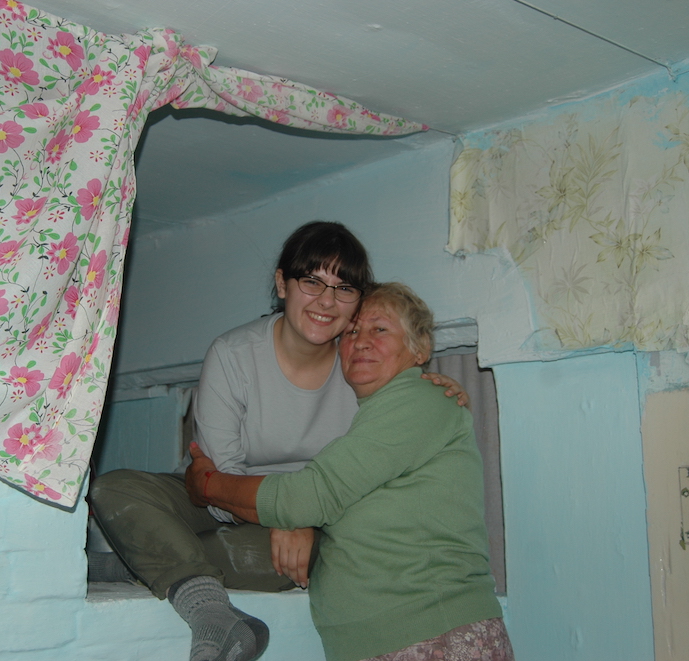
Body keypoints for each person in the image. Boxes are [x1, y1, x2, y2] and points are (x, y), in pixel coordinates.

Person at [89, 224, 467, 661]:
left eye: (344, 288)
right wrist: (289, 512)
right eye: (311, 282)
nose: (326, 301)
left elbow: (364, 472)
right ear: (282, 283)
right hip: (219, 498)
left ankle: (143, 564)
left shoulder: (361, 367)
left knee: (266, 559)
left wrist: (431, 381)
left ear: (358, 301)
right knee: (114, 489)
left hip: (310, 519)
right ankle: (207, 606)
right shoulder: (233, 354)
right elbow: (217, 485)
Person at [185, 282, 512, 661]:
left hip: (431, 633)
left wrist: (208, 484)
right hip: (387, 640)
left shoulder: (418, 401)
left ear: (420, 348)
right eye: (352, 331)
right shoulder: (374, 418)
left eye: (380, 329)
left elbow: (309, 496)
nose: (361, 340)